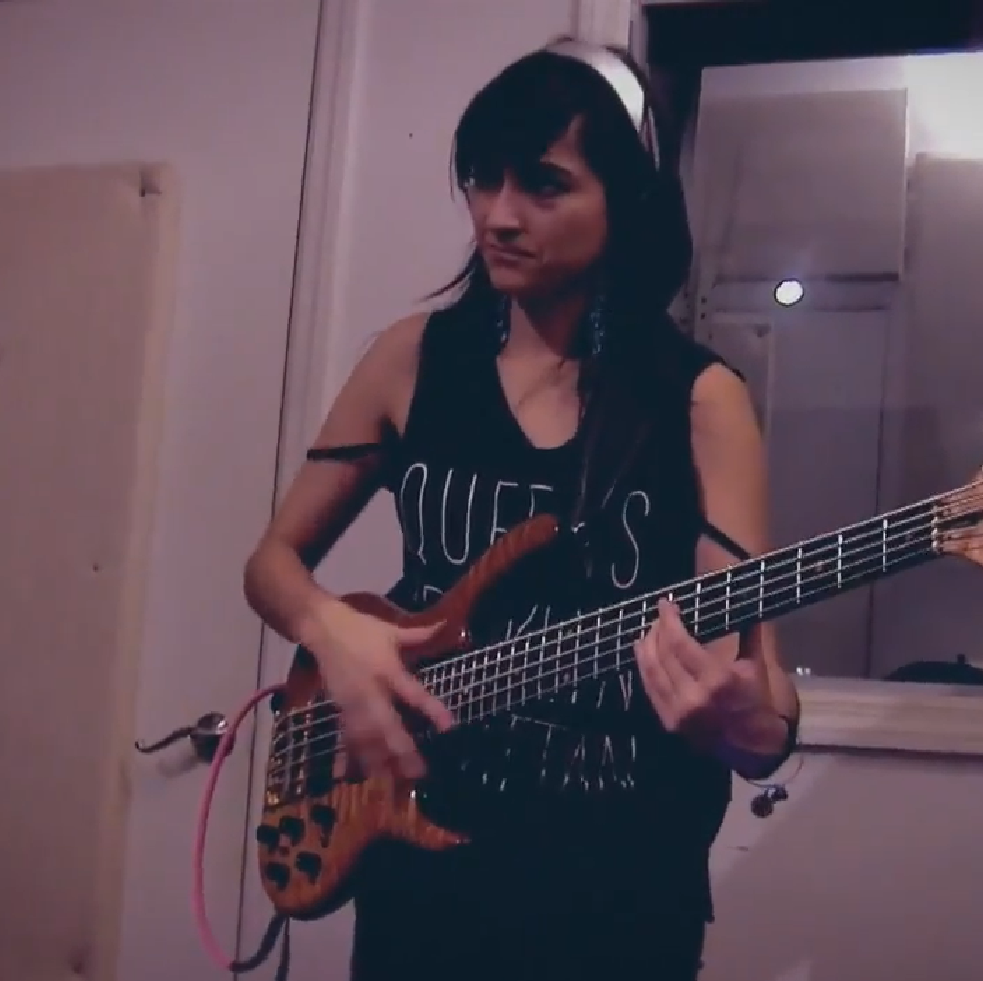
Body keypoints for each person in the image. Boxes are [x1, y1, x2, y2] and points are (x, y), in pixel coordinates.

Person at [243, 37, 800, 981]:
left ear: (627, 200)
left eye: (543, 185)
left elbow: (761, 692)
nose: (498, 215)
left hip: (617, 899)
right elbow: (270, 564)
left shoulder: (698, 400)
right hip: (418, 874)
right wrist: (332, 632)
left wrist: (752, 725)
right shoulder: (413, 358)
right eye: (482, 179)